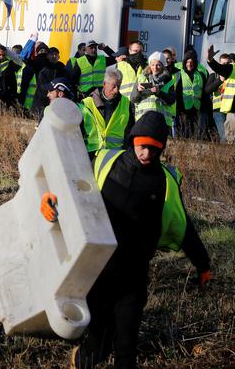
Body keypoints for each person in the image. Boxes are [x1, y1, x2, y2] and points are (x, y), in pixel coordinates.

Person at [42, 111, 210, 368]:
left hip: (135, 268)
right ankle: (85, 356)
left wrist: (203, 264)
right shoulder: (104, 160)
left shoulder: (165, 182)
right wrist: (50, 197)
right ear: (132, 139)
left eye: (154, 150)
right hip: (99, 265)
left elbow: (183, 226)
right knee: (99, 338)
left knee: (127, 342)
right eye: (142, 147)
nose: (146, 154)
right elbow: (67, 175)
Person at [79, 67, 135, 154]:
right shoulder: (87, 104)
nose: (116, 90)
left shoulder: (126, 104)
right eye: (114, 86)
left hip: (116, 155)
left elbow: (130, 131)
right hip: (92, 155)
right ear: (104, 84)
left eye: (119, 86)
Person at [130, 51, 175, 131]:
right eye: (153, 65)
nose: (155, 67)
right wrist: (138, 91)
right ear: (149, 65)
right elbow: (133, 99)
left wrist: (159, 93)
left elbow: (171, 100)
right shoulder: (141, 78)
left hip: (162, 121)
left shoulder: (169, 80)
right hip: (143, 120)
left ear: (163, 66)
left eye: (158, 65)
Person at [174, 50, 207, 139]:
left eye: (192, 62)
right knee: (183, 134)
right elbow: (177, 91)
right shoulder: (179, 74)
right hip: (182, 110)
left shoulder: (200, 75)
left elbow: (204, 92)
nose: (189, 64)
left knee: (195, 135)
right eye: (187, 61)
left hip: (196, 109)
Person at [203, 53, 230, 142]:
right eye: (223, 64)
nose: (225, 66)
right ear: (219, 64)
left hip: (231, 110)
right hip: (219, 109)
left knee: (230, 136)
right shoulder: (214, 75)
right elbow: (207, 90)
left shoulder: (233, 75)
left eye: (227, 64)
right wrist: (219, 80)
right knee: (224, 137)